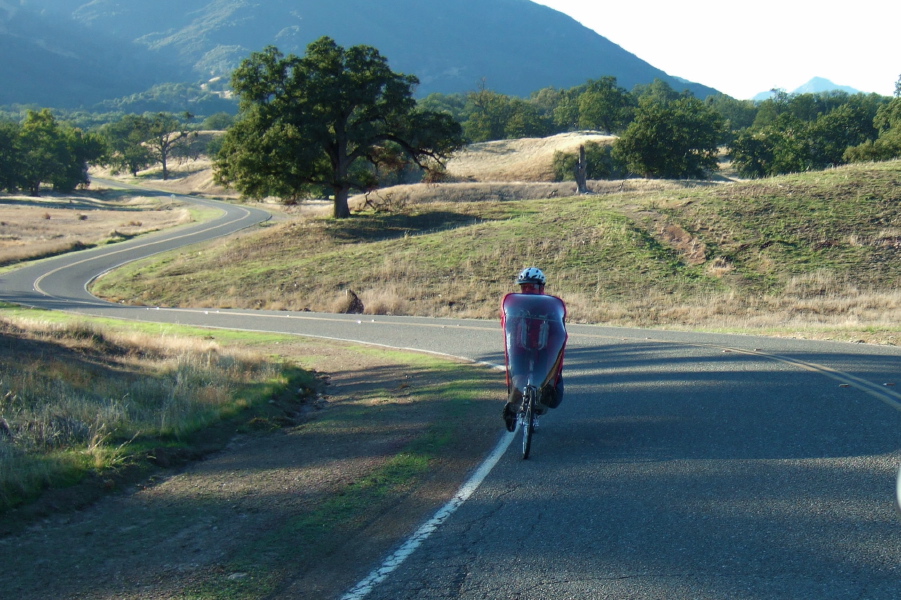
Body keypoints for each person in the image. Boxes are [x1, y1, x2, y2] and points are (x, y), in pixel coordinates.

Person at [501, 267, 567, 432]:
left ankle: (538, 403)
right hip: (521, 348)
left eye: (532, 287)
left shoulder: (550, 306)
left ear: (541, 287)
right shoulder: (516, 305)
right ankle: (512, 407)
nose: (527, 290)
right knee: (518, 377)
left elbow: (559, 329)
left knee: (554, 391)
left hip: (544, 348)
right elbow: (506, 324)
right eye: (524, 287)